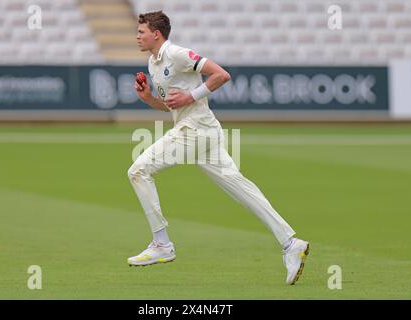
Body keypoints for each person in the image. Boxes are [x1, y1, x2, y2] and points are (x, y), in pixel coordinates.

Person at [127, 11, 309, 285]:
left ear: (157, 34)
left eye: (142, 31)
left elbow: (221, 75)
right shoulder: (154, 63)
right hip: (203, 131)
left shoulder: (176, 53)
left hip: (195, 130)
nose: (137, 36)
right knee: (241, 188)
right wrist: (148, 98)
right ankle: (290, 243)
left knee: (138, 171)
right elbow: (172, 107)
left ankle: (162, 244)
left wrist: (192, 94)